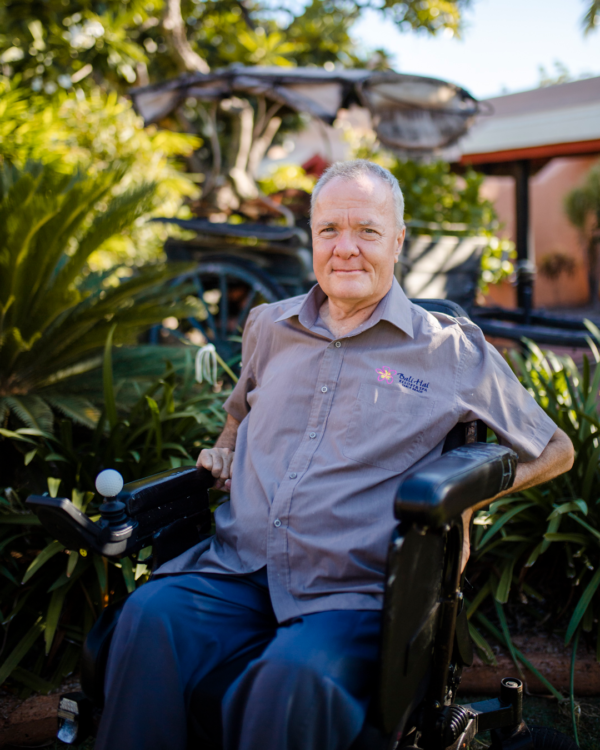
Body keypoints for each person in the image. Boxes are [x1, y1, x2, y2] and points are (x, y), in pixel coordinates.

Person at [96, 160, 573, 750]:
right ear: (313, 238)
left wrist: (463, 499)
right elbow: (239, 413)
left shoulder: (448, 350)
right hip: (239, 567)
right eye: (330, 230)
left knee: (293, 679)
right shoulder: (269, 327)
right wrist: (222, 451)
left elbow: (557, 449)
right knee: (147, 617)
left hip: (353, 591)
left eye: (367, 231)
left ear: (398, 241)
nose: (346, 248)